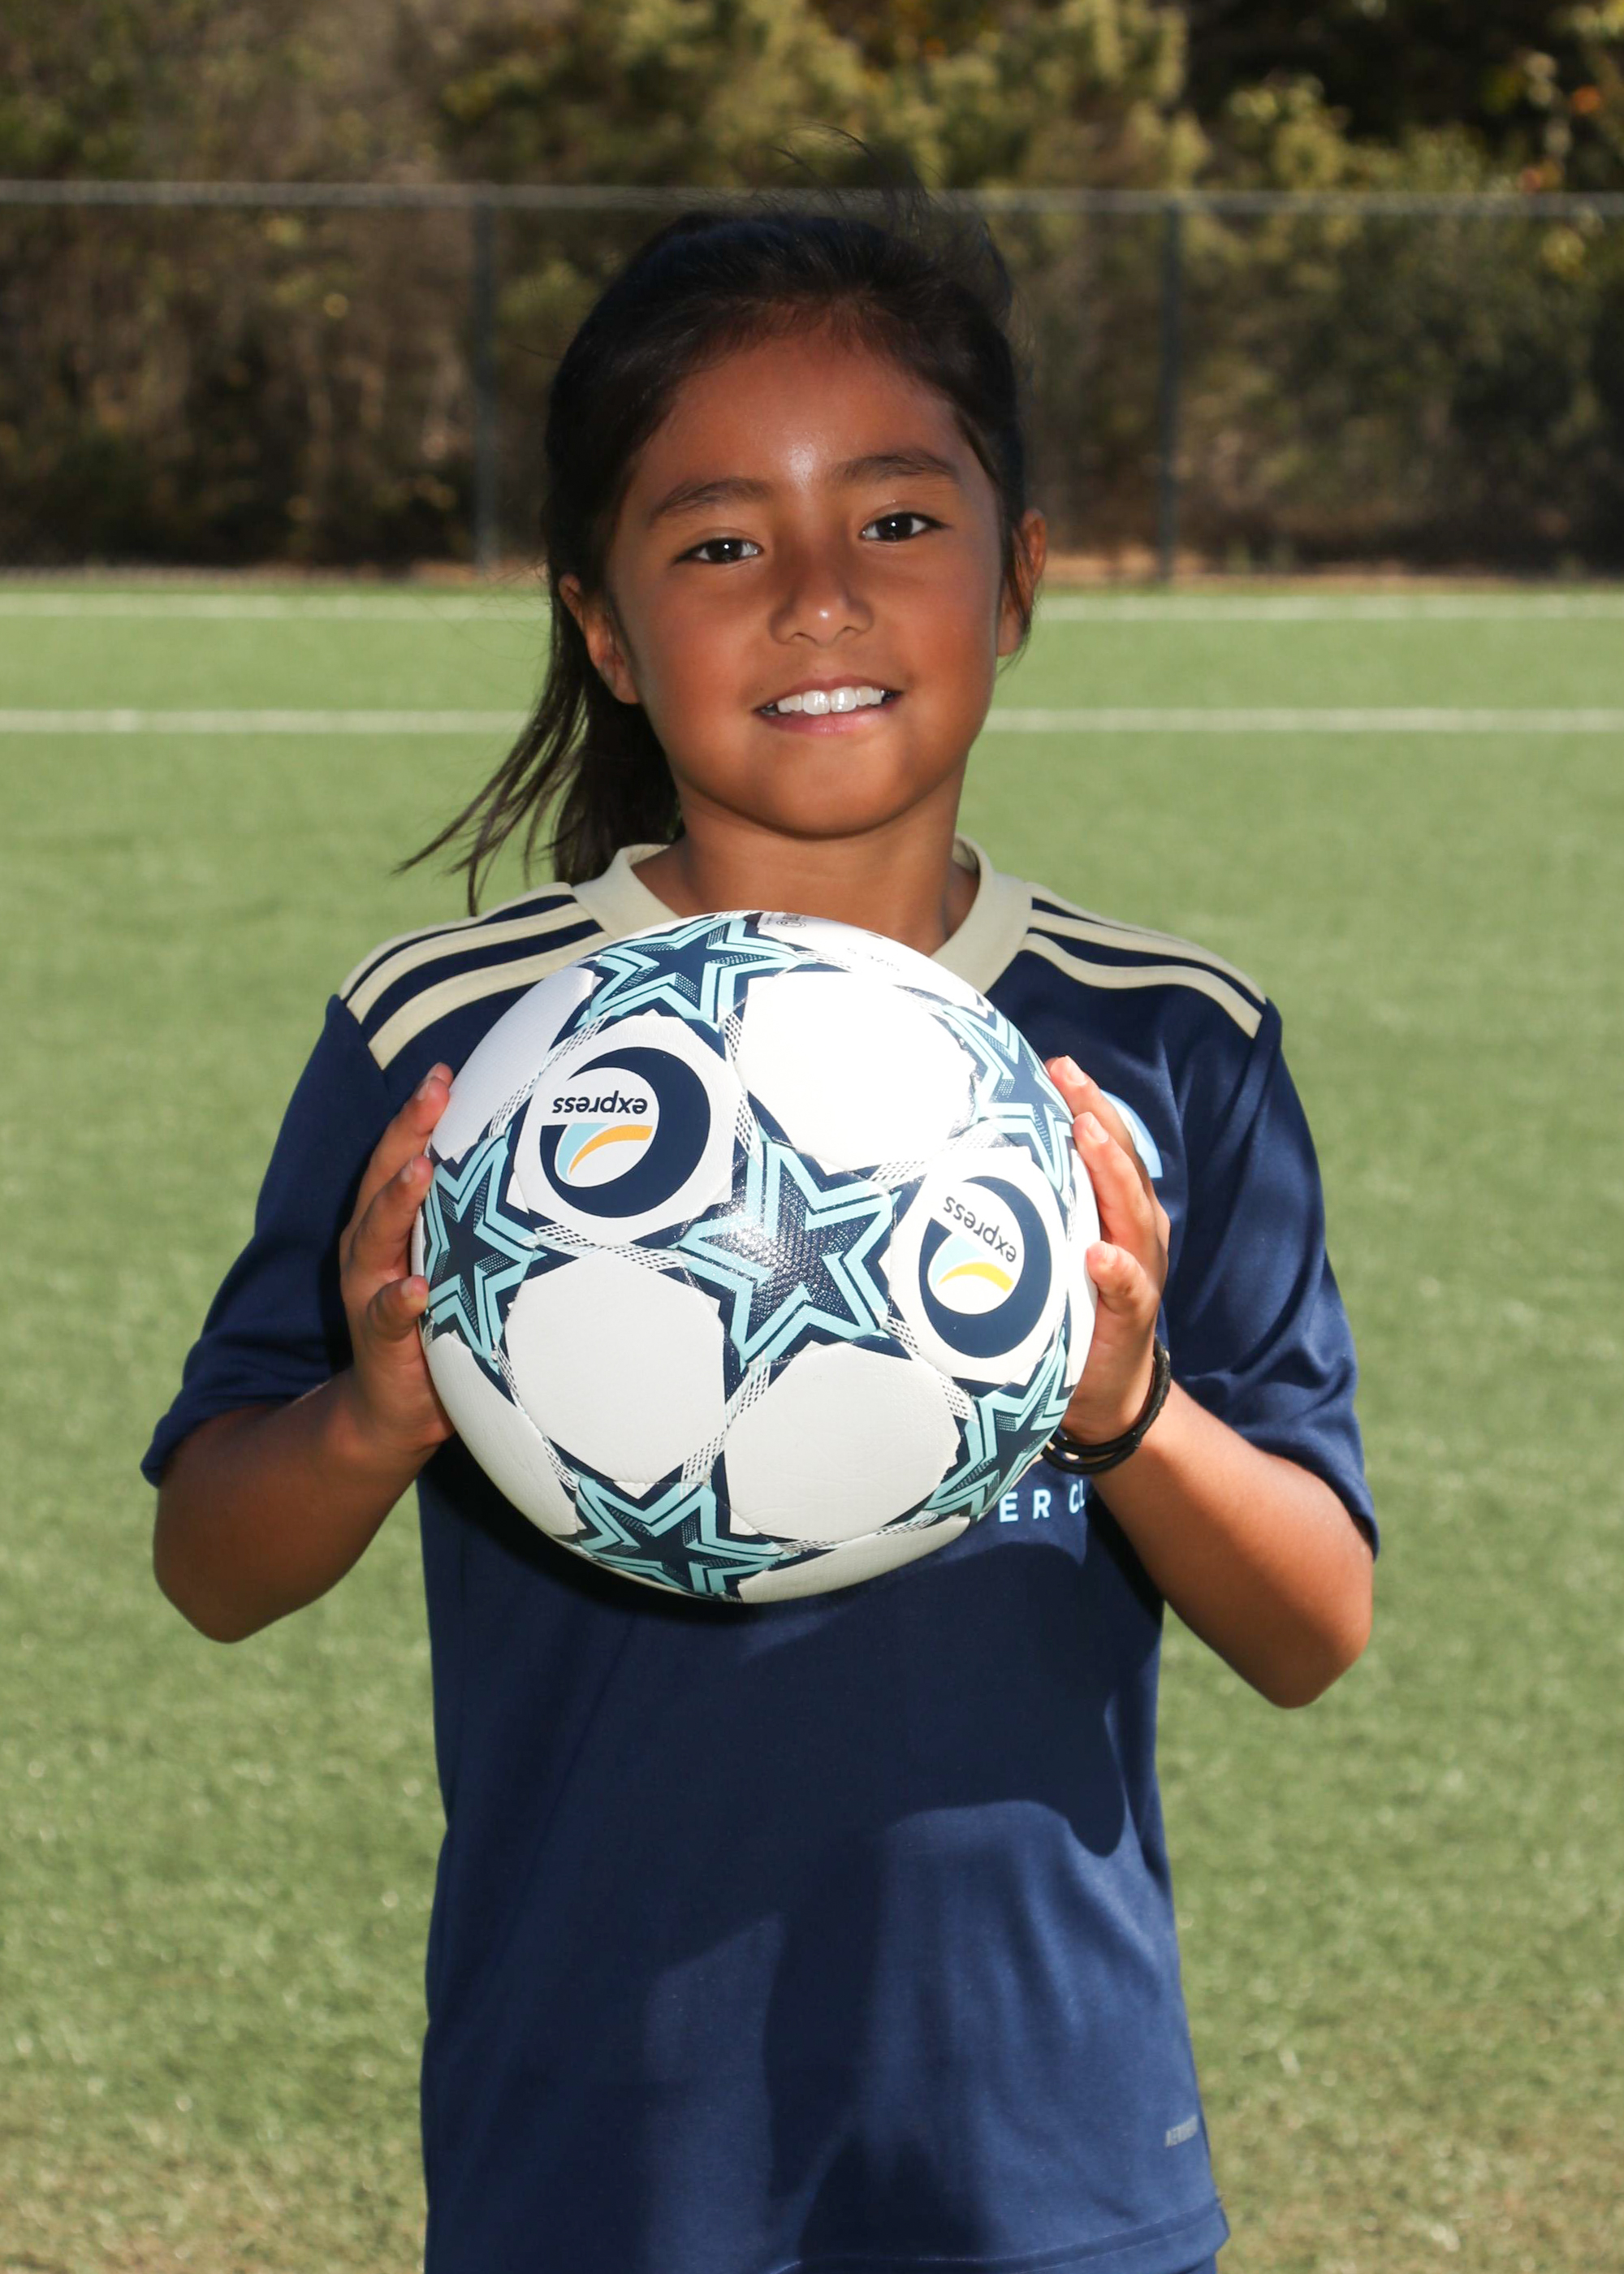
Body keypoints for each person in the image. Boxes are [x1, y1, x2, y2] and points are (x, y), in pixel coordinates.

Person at [146, 198, 1376, 2274]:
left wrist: (1126, 1403)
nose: (817, 596)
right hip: (598, 2152)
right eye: (720, 542)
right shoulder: (459, 1048)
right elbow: (212, 1560)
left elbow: (1311, 1622)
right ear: (606, 629)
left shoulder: (1170, 1039)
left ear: (1019, 574)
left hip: (1044, 2151)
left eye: (895, 519)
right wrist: (373, 1409)